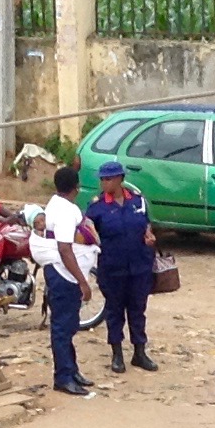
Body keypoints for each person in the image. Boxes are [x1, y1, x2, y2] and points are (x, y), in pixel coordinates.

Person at [86, 159, 158, 374]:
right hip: (112, 267)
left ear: (120, 179)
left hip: (139, 265)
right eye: (102, 179)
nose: (104, 183)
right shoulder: (97, 207)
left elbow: (147, 224)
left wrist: (150, 236)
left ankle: (140, 351)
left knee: (138, 309)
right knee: (114, 310)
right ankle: (117, 353)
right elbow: (87, 233)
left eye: (108, 179)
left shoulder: (138, 201)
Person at [37, 164, 97, 398]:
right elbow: (65, 249)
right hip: (65, 274)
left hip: (65, 273)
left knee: (69, 325)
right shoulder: (63, 212)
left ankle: (71, 370)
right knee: (62, 327)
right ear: (76, 187)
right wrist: (83, 281)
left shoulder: (59, 205)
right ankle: (62, 377)